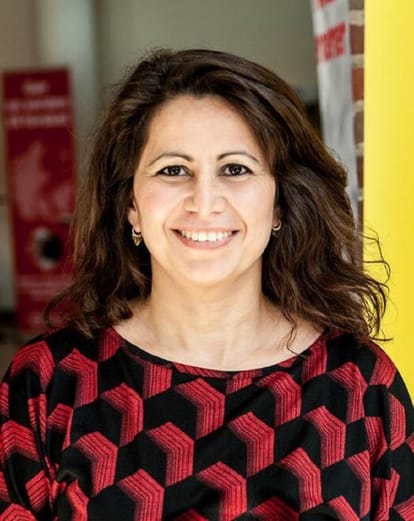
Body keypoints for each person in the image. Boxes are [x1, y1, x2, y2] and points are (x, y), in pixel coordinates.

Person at [0, 48, 412, 521]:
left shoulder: (359, 386)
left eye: (235, 169)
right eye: (173, 170)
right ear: (131, 204)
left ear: (279, 203)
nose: (204, 201)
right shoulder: (49, 383)